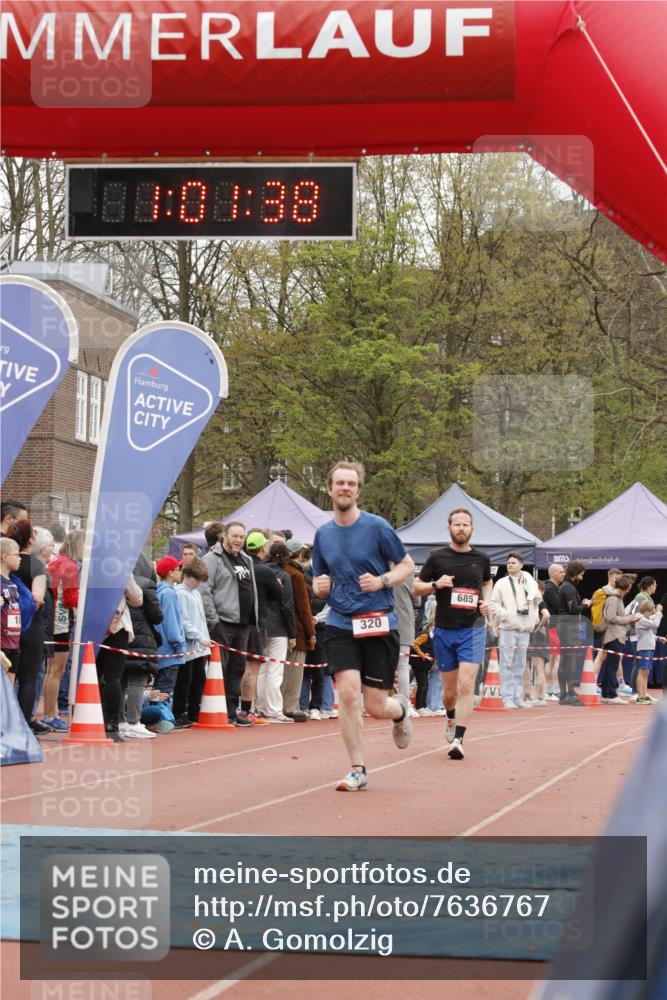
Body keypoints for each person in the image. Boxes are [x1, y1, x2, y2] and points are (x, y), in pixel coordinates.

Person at [312, 461, 415, 791]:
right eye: (339, 483)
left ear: (358, 490)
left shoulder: (377, 527)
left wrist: (383, 580)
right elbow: (318, 577)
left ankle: (399, 711)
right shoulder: (323, 534)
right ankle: (358, 768)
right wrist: (319, 587)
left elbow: (407, 566)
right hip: (341, 622)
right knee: (347, 694)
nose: (345, 488)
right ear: (329, 489)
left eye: (351, 484)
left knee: (375, 706)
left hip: (377, 621)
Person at [414, 508, 492, 760]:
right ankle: (450, 716)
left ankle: (459, 739)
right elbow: (416, 588)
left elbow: (487, 582)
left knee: (467, 684)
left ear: (472, 529)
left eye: (465, 524)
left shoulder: (481, 558)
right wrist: (436, 584)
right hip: (445, 630)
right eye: (457, 524)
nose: (461, 528)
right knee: (449, 694)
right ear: (449, 528)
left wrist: (486, 602)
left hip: (473, 628)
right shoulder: (437, 558)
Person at [199, 521, 260, 725]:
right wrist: (213, 620)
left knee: (238, 668)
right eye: (234, 536)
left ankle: (232, 712)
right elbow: (204, 591)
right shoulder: (212, 559)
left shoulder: (246, 559)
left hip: (243, 624)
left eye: (242, 537)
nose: (238, 540)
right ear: (224, 536)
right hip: (223, 623)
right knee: (220, 668)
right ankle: (218, 711)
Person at [6, 519, 51, 734]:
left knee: (8, 676)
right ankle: (23, 725)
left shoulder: (6, 563)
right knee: (29, 678)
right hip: (31, 626)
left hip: (6, 625)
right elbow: (38, 597)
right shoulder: (36, 565)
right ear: (31, 540)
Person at [490, 552, 548, 709]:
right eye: (508, 562)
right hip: (508, 628)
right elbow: (493, 603)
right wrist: (505, 615)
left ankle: (518, 697)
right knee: (507, 663)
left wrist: (535, 618)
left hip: (525, 628)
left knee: (520, 664)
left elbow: (536, 601)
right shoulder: (501, 583)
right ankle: (507, 697)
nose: (510, 565)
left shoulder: (529, 582)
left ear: (521, 565)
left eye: (513, 563)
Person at [43, 530, 84, 731]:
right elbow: (70, 599)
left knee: (51, 670)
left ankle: (50, 713)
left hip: (51, 619)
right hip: (62, 621)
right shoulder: (70, 566)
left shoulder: (56, 562)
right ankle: (52, 715)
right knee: (57, 670)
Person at [96, 575, 143, 741]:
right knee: (113, 678)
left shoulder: (87, 564)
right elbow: (137, 598)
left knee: (90, 675)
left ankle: (91, 720)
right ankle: (111, 725)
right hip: (117, 626)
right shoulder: (121, 567)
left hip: (90, 623)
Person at [261, 539, 299, 722]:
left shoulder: (259, 571)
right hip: (278, 628)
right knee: (275, 671)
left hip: (261, 624)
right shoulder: (284, 576)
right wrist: (292, 633)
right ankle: (274, 709)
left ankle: (260, 706)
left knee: (261, 669)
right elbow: (287, 606)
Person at [174, 556, 213, 727]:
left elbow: (200, 620)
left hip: (199, 646)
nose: (199, 584)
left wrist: (204, 638)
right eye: (197, 580)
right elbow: (184, 620)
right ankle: (180, 711)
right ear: (187, 576)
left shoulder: (195, 593)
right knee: (185, 680)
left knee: (199, 680)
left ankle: (194, 711)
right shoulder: (180, 593)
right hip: (189, 645)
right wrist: (199, 636)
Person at [279, 539, 315, 722]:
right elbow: (303, 607)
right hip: (298, 630)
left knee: (280, 669)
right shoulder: (296, 574)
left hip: (281, 628)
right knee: (294, 671)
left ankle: (279, 704)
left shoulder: (279, 570)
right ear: (299, 553)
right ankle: (290, 706)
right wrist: (311, 632)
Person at [598, 575, 640, 704]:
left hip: (615, 635)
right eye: (629, 588)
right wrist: (629, 619)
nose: (629, 590)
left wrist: (627, 619)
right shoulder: (614, 599)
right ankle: (611, 695)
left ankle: (607, 694)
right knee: (612, 666)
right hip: (614, 636)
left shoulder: (616, 598)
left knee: (611, 665)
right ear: (625, 587)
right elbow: (611, 618)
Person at [557, 561, 591, 706]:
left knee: (565, 660)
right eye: (581, 575)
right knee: (570, 660)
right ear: (575, 573)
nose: (582, 578)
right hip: (568, 626)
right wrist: (586, 604)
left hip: (564, 625)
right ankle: (569, 693)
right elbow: (574, 610)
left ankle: (564, 694)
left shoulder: (566, 586)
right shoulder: (569, 588)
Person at [154, 555, 186, 699]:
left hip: (161, 650)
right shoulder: (168, 593)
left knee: (157, 692)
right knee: (165, 693)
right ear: (170, 573)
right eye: (178, 569)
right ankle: (164, 721)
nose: (181, 571)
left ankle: (157, 718)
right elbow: (171, 622)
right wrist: (179, 645)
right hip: (170, 651)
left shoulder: (159, 591)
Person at [543, 563, 565, 700]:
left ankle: (550, 689)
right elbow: (559, 607)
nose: (563, 574)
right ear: (553, 574)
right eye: (561, 572)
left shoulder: (554, 588)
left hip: (554, 627)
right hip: (554, 627)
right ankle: (553, 689)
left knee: (552, 659)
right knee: (556, 658)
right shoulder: (550, 589)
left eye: (563, 572)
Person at [634, 599, 662, 704]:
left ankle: (644, 695)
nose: (651, 614)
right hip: (644, 647)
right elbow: (655, 624)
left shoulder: (644, 619)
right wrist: (659, 613)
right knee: (642, 671)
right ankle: (640, 696)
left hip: (649, 646)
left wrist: (658, 638)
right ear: (646, 610)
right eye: (651, 611)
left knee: (646, 672)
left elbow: (649, 634)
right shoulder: (640, 618)